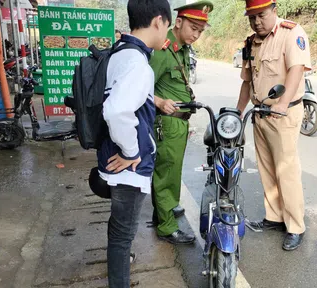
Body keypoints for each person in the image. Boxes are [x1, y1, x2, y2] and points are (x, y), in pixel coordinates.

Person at [97, 0, 171, 287]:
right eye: (167, 25)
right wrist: (131, 152)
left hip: (110, 157)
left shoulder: (120, 53)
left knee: (118, 229)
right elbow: (116, 111)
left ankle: (119, 269)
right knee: (123, 234)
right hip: (127, 166)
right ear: (157, 21)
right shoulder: (138, 63)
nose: (166, 31)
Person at [236, 0, 311, 251]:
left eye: (262, 15)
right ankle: (275, 217)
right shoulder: (250, 42)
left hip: (283, 114)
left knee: (286, 170)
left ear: (274, 10)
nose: (257, 21)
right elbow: (247, 81)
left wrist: (283, 102)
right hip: (260, 113)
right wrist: (238, 111)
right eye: (252, 17)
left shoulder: (292, 33)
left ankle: (295, 226)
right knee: (266, 168)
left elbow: (296, 69)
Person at [148, 1, 214, 245]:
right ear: (178, 22)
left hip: (178, 123)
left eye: (200, 31)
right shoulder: (163, 50)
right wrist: (159, 101)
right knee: (166, 173)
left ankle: (165, 209)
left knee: (173, 171)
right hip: (167, 122)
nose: (196, 35)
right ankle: (166, 226)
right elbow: (141, 86)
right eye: (193, 28)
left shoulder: (181, 48)